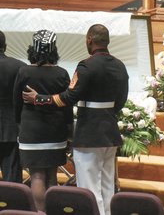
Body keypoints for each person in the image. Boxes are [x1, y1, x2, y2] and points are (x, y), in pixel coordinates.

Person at [23, 24, 129, 215]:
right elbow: (121, 100)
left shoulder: (86, 66)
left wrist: (39, 98)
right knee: (107, 186)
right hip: (110, 132)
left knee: (89, 187)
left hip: (89, 133)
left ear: (90, 39)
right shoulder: (119, 65)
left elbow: (68, 98)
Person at [13, 29, 73, 211]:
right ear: (54, 49)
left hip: (31, 132)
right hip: (55, 131)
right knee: (52, 176)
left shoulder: (24, 72)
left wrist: (20, 125)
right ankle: (54, 212)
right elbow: (67, 105)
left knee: (37, 176)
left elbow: (17, 103)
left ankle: (40, 213)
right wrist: (69, 130)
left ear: (33, 49)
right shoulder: (62, 73)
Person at [0, 31, 25, 183]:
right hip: (12, 128)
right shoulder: (20, 67)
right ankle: (13, 206)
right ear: (5, 46)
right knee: (12, 179)